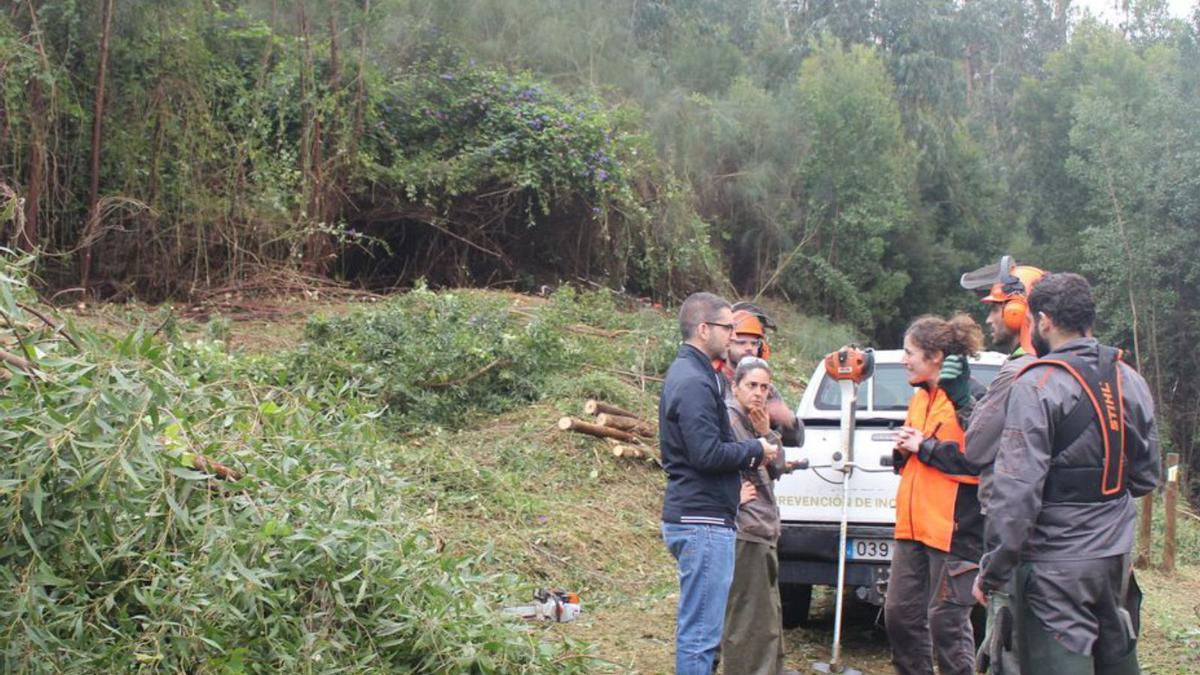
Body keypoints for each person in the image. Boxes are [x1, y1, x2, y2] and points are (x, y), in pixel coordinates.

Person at [972, 273, 1161, 674]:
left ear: (1043, 321)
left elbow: (1016, 496)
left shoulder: (1037, 384)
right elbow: (1146, 478)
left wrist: (993, 570)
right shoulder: (1130, 379)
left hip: (1052, 568)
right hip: (1113, 559)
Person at [660, 292, 781, 675]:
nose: (733, 334)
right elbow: (706, 454)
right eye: (728, 326)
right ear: (703, 329)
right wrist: (755, 450)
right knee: (701, 636)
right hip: (702, 520)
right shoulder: (694, 380)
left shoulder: (699, 373)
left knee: (700, 631)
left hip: (705, 517)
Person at [955, 257, 1046, 674]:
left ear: (1017, 311)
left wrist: (962, 399)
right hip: (1056, 539)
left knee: (1004, 647)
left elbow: (976, 446)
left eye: (995, 307)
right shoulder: (1062, 370)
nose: (989, 317)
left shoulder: (1017, 371)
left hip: (1011, 531)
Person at [886, 314, 985, 675]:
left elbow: (980, 461)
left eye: (909, 352)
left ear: (936, 357)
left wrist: (924, 447)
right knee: (899, 617)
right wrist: (904, 451)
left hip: (954, 530)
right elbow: (917, 456)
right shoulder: (919, 399)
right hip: (912, 529)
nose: (904, 359)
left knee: (947, 625)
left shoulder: (971, 397)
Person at [720, 357, 802, 675]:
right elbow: (706, 460)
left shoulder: (754, 419)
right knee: (748, 619)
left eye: (764, 387)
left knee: (768, 616)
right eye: (751, 385)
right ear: (735, 386)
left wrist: (767, 432)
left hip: (765, 526)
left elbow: (776, 466)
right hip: (745, 530)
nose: (758, 393)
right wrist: (729, 496)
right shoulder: (726, 420)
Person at [714, 306, 803, 447]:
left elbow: (794, 440)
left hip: (760, 464)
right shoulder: (715, 382)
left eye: (754, 343)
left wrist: (788, 421)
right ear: (727, 344)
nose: (749, 348)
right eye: (741, 342)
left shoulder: (767, 389)